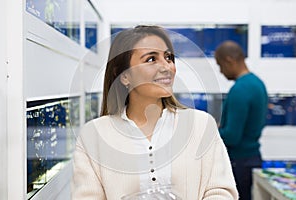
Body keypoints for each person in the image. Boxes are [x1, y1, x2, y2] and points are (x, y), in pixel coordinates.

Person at [71, 25, 238, 199]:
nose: (167, 67)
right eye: (151, 59)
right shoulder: (93, 136)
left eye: (168, 57)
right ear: (124, 76)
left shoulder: (202, 125)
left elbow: (221, 192)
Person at [215, 40, 268, 200]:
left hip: (239, 162)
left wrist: (214, 130)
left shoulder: (240, 90)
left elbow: (232, 136)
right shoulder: (257, 84)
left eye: (220, 65)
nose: (221, 71)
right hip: (252, 159)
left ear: (229, 60)